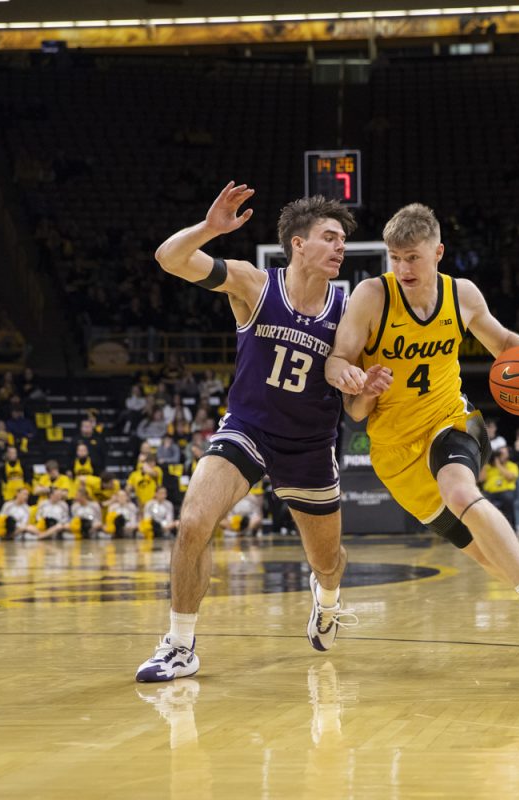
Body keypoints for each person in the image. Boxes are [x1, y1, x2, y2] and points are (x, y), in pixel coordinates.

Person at [327, 202, 519, 651]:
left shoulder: (461, 295)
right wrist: (362, 385)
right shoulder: (371, 297)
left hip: (451, 419)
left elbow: (502, 341)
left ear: (438, 253)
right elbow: (347, 395)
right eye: (395, 257)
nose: (403, 267)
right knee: (487, 556)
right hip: (393, 451)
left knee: (460, 491)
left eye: (412, 256)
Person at [138, 184, 360, 683]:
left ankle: (326, 602)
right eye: (330, 237)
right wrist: (210, 230)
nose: (340, 246)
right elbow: (169, 259)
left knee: (327, 562)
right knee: (193, 521)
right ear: (298, 243)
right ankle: (179, 645)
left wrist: (360, 384)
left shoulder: (350, 308)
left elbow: (359, 401)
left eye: (343, 240)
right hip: (249, 428)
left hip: (308, 444)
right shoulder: (254, 284)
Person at [480, 446, 518, 525]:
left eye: (503, 453)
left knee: (508, 498)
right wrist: (484, 462)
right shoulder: (489, 466)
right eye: (500, 453)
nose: (501, 455)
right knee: (482, 500)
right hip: (490, 493)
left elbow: (510, 477)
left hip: (506, 492)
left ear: (508, 455)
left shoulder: (512, 465)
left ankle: (509, 524)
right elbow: (481, 479)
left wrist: (498, 465)